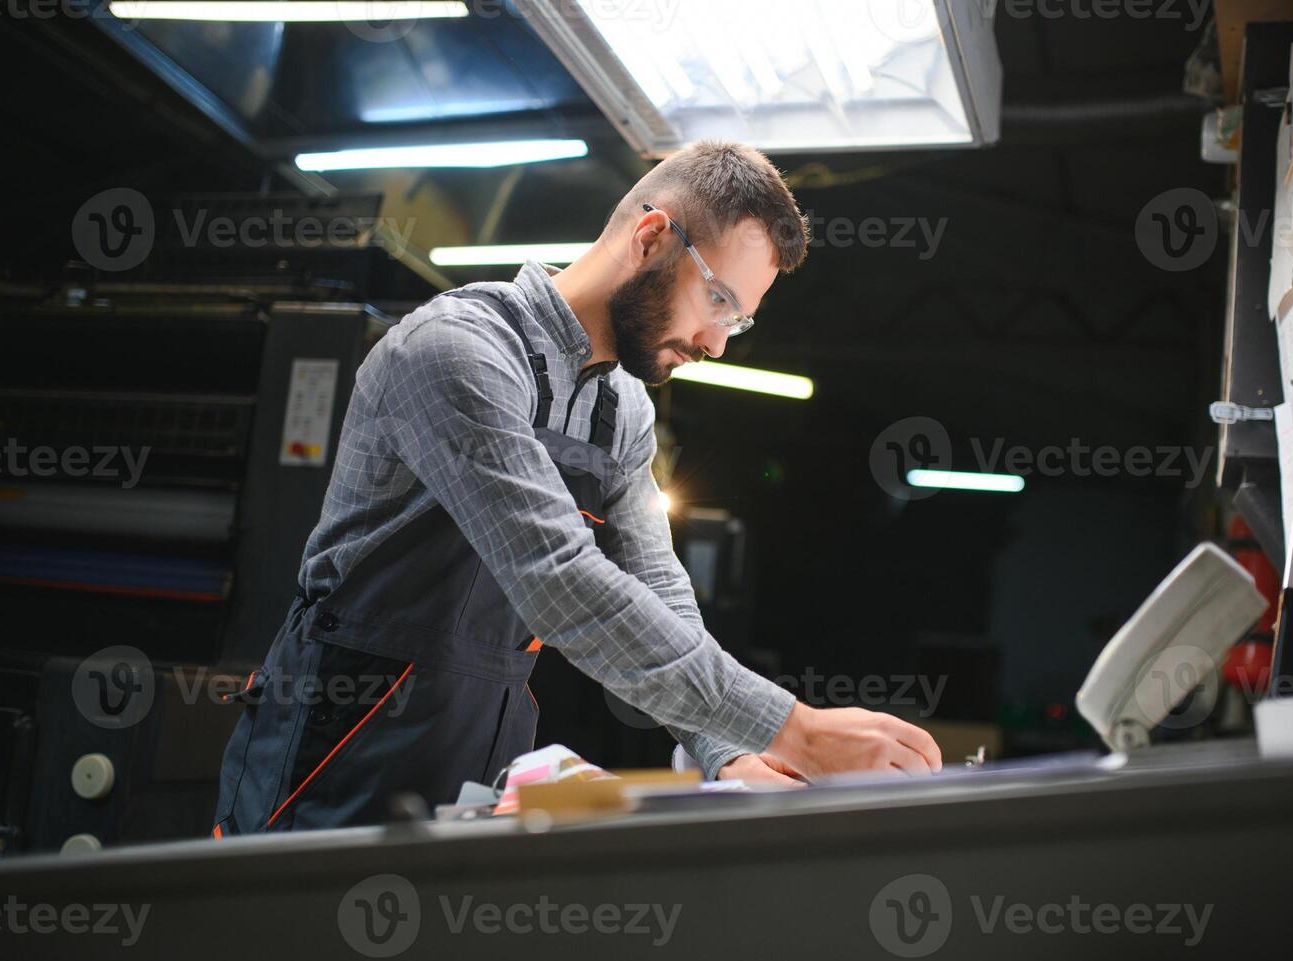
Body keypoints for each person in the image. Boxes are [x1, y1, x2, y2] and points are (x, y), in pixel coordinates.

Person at [212, 141, 942, 834]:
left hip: (474, 755)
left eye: (738, 319)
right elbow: (557, 577)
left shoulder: (620, 407)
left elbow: (658, 590)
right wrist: (794, 727)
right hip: (327, 751)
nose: (717, 342)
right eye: (717, 300)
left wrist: (729, 749)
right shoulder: (455, 351)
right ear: (652, 237)